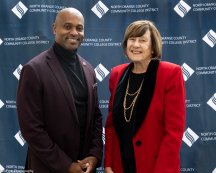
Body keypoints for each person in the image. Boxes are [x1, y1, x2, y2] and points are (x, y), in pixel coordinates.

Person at [16, 8, 103, 173]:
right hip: (48, 167)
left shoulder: (89, 69)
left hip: (84, 167)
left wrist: (94, 155)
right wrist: (66, 166)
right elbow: (31, 128)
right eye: (67, 26)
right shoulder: (34, 69)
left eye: (79, 28)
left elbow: (96, 117)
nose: (74, 32)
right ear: (54, 28)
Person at [104, 20, 186, 173]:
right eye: (132, 39)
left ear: (153, 47)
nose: (135, 45)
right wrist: (108, 163)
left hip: (155, 167)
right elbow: (110, 126)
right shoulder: (117, 74)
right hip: (120, 165)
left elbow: (174, 132)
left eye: (142, 40)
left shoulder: (170, 74)